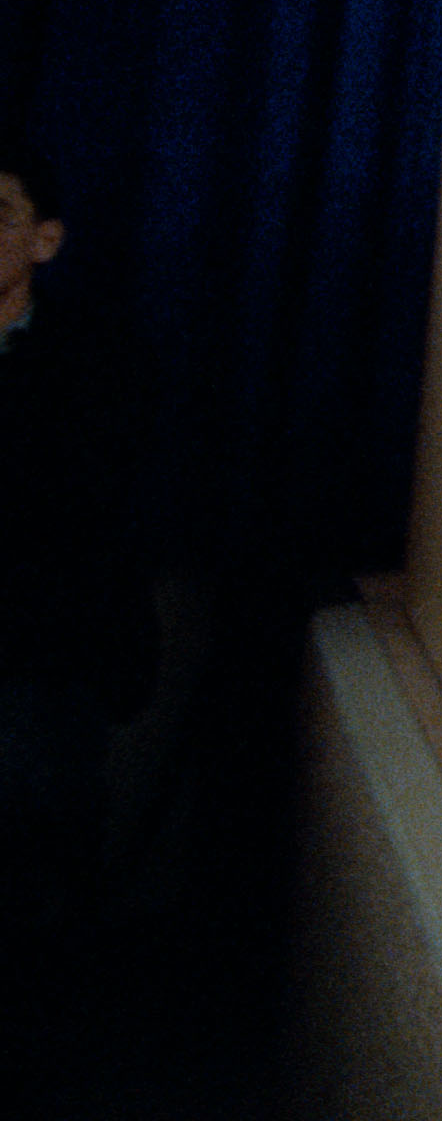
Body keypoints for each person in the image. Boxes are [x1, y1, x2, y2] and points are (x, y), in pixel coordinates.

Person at [0, 163, 154, 954]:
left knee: (39, 854)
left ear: (45, 240)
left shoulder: (95, 358)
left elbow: (101, 515)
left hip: (46, 653)